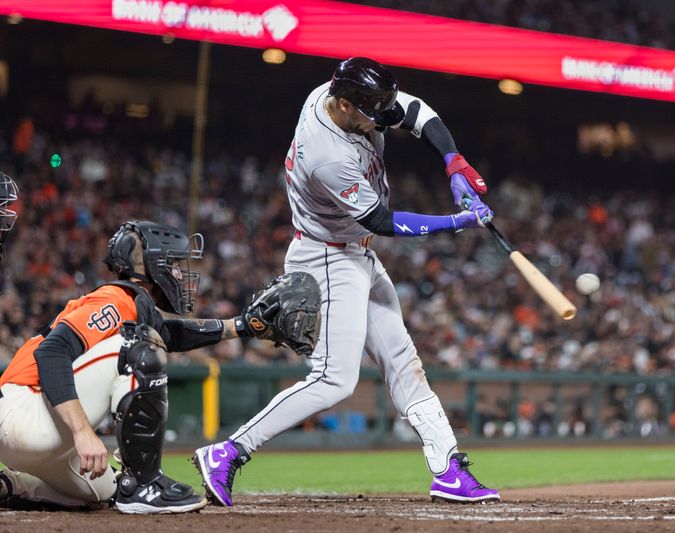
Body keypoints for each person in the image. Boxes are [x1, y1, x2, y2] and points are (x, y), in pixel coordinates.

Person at [193, 57, 500, 505]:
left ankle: (448, 469)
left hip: (356, 254)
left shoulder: (348, 98)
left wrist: (453, 161)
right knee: (334, 380)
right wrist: (455, 221)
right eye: (370, 112)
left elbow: (416, 114)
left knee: (403, 363)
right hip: (327, 258)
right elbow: (380, 219)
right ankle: (228, 452)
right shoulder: (327, 153)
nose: (380, 118)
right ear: (342, 105)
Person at [0, 220, 321, 513]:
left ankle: (12, 484)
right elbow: (52, 352)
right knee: (141, 346)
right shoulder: (115, 298)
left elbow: (172, 333)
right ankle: (144, 484)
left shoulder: (132, 305)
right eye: (175, 265)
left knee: (104, 491)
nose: (181, 274)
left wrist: (241, 326)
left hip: (27, 443)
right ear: (151, 266)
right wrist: (83, 433)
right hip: (24, 409)